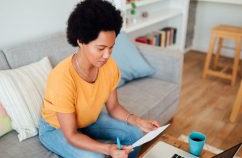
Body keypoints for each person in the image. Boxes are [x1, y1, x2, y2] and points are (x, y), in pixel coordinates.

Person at [39, 0, 160, 157]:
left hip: (88, 120)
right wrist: (109, 149)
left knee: (134, 135)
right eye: (101, 48)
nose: (107, 55)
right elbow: (71, 135)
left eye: (111, 47)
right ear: (81, 41)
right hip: (57, 128)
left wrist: (139, 121)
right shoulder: (61, 78)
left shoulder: (109, 67)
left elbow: (114, 107)